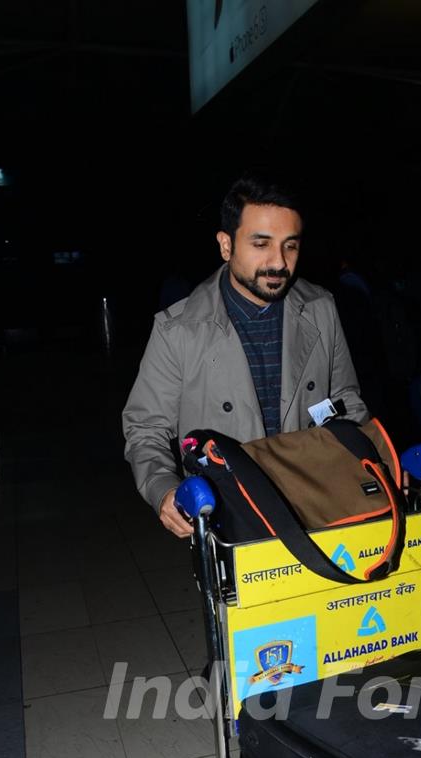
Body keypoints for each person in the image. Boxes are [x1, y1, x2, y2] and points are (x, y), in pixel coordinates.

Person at [123, 176, 367, 537]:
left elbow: (347, 401)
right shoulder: (178, 330)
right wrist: (163, 491)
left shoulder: (321, 309)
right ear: (226, 245)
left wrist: (372, 461)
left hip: (313, 502)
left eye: (290, 246)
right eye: (261, 244)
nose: (279, 262)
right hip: (229, 513)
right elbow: (145, 427)